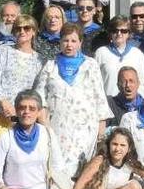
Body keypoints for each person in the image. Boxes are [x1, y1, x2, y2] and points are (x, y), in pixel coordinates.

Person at [34, 22, 112, 176]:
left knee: (82, 176)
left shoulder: (91, 65)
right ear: (60, 42)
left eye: (73, 41)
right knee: (58, 174)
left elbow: (100, 101)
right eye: (65, 40)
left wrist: (100, 134)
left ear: (80, 43)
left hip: (85, 132)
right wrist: (47, 129)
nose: (69, 45)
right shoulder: (50, 66)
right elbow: (39, 100)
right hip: (57, 131)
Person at [0, 14, 43, 177]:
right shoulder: (4, 51)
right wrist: (4, 103)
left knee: (15, 164)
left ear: (34, 31)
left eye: (27, 28)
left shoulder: (39, 59)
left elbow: (36, 91)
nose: (22, 31)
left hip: (22, 120)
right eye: (18, 28)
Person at [94, 15, 144, 98]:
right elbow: (95, 83)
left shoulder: (137, 54)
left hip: (132, 106)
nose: (119, 34)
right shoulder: (101, 53)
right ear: (110, 33)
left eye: (124, 31)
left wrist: (140, 104)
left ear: (129, 33)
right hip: (108, 105)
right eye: (115, 30)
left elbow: (143, 84)